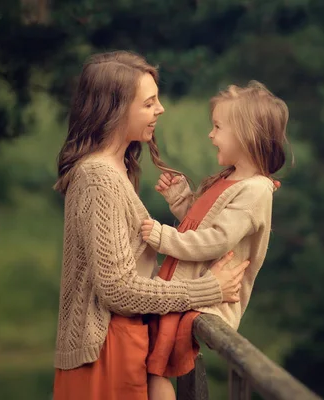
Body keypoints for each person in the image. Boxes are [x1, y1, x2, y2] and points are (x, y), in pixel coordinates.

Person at [51, 50, 250, 400]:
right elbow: (117, 289)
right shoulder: (99, 178)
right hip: (106, 353)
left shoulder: (116, 169)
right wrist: (207, 289)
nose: (160, 110)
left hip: (123, 342)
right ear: (114, 110)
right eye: (149, 103)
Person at [141, 81, 290, 400]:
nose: (211, 134)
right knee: (149, 365)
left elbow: (215, 242)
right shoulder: (230, 179)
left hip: (206, 297)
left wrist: (161, 236)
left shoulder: (255, 190)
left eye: (218, 127)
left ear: (246, 135)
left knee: (156, 370)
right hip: (185, 285)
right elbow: (202, 226)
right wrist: (181, 200)